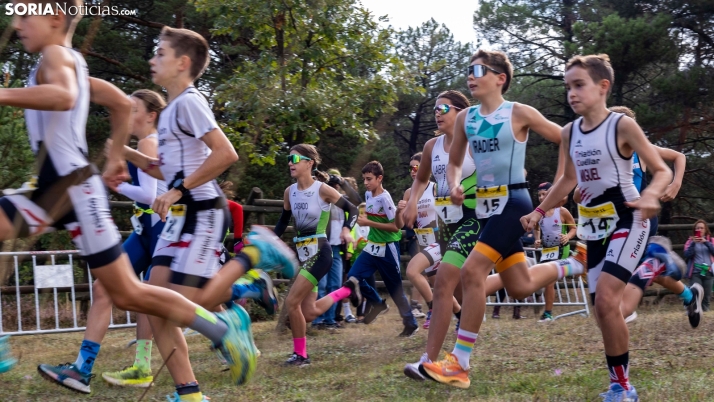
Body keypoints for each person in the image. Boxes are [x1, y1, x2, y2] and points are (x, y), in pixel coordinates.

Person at [2, 6, 295, 399]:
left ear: (56, 17)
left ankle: (246, 272)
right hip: (73, 191)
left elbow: (65, 95)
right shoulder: (84, 69)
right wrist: (120, 159)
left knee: (167, 297)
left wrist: (174, 187)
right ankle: (196, 376)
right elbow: (124, 107)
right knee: (136, 297)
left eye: (25, 15)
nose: (16, 24)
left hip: (142, 201)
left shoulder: (58, 59)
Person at [112, 26, 298, 400]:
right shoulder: (169, 114)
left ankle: (253, 257)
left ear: (182, 63)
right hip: (179, 217)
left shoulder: (191, 102)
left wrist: (179, 189)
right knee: (154, 303)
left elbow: (225, 153)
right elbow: (167, 169)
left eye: (160, 54)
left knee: (184, 305)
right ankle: (190, 393)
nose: (152, 59)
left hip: (202, 212)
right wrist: (127, 156)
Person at [419, 50, 580, 389]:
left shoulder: (519, 112)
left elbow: (566, 136)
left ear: (500, 78)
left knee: (472, 271)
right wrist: (452, 183)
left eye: (478, 70)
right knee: (520, 285)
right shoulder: (466, 119)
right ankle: (576, 263)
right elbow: (454, 159)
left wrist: (564, 180)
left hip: (513, 201)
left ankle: (459, 363)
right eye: (468, 71)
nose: (471, 76)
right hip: (483, 207)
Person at [515, 54, 673, 400]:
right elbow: (567, 180)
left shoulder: (621, 126)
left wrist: (650, 195)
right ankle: (654, 266)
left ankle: (623, 388)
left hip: (628, 217)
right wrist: (540, 211)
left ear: (603, 87)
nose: (571, 93)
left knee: (605, 300)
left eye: (579, 85)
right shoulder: (570, 133)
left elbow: (661, 169)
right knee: (604, 311)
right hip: (593, 227)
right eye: (567, 86)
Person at [42, 89, 167, 391]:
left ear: (151, 115)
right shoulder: (141, 143)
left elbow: (150, 196)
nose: (128, 113)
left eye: (133, 109)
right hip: (146, 230)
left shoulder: (149, 141)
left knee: (154, 297)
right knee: (107, 288)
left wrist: (114, 186)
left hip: (162, 228)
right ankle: (85, 369)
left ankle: (225, 329)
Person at [402, 90, 477, 380]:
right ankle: (444, 360)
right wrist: (410, 204)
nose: (437, 112)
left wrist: (466, 190)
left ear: (460, 111)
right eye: (435, 108)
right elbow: (421, 179)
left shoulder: (474, 142)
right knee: (461, 286)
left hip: (474, 220)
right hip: (447, 226)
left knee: (445, 280)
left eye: (443, 107)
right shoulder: (432, 146)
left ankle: (429, 360)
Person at [275, 144, 358, 366]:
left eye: (294, 158)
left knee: (292, 302)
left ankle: (301, 356)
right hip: (304, 254)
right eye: (288, 158)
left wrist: (346, 229)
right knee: (309, 312)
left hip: (320, 253)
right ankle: (347, 290)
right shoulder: (289, 192)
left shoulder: (322, 189)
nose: (290, 162)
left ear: (309, 163)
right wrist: (270, 240)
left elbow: (353, 209)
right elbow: (283, 221)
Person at [326, 161, 418, 336]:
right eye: (364, 179)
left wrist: (370, 221)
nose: (366, 183)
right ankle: (377, 302)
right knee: (352, 278)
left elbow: (396, 227)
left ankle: (410, 323)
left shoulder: (385, 198)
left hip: (388, 247)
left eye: (369, 179)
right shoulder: (368, 194)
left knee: (395, 288)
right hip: (372, 246)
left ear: (380, 178)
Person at [312, 169, 358, 329]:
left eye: (337, 184)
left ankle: (330, 319)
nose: (335, 187)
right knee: (321, 285)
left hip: (337, 249)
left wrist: (343, 182)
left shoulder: (341, 200)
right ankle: (318, 319)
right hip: (322, 248)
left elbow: (356, 201)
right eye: (332, 184)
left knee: (335, 285)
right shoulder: (321, 197)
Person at [399, 153, 437, 320]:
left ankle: (460, 311)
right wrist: (400, 210)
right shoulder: (409, 192)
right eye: (411, 168)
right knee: (418, 273)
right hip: (421, 239)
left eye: (416, 167)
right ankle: (432, 310)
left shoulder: (435, 188)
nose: (413, 171)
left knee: (438, 281)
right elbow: (402, 224)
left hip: (438, 238)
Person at [533, 182, 576, 322]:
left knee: (549, 281)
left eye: (544, 194)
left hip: (561, 249)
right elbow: (537, 228)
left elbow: (573, 228)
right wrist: (537, 240)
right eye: (539, 195)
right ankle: (546, 310)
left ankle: (547, 314)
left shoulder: (562, 211)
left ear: (551, 194)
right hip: (547, 251)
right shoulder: (539, 213)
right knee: (545, 281)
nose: (541, 198)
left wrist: (567, 236)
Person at [684, 220, 714, 311]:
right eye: (697, 228)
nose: (699, 229)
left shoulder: (711, 241)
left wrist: (706, 242)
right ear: (694, 230)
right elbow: (687, 255)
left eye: (701, 228)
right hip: (695, 273)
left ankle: (705, 316)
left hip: (708, 273)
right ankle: (694, 316)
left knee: (706, 297)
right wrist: (693, 243)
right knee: (695, 296)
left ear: (705, 230)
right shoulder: (690, 241)